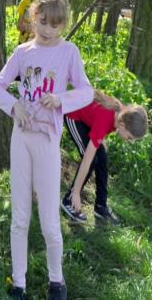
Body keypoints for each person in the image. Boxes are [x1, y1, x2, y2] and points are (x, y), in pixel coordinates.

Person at [0, 0, 93, 300]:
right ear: (34, 17)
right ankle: (18, 283)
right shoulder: (23, 53)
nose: (48, 30)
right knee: (20, 216)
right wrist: (14, 106)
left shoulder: (68, 52)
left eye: (56, 24)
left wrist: (61, 99)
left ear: (64, 24)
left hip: (48, 143)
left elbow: (87, 91)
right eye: (43, 22)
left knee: (49, 221)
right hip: (21, 138)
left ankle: (56, 282)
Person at [61, 94, 149, 225]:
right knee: (92, 159)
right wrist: (77, 193)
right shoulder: (107, 119)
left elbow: (97, 119)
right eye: (130, 137)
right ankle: (69, 199)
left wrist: (100, 139)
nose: (130, 141)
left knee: (102, 157)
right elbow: (87, 160)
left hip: (88, 120)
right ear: (122, 125)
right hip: (74, 116)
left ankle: (100, 206)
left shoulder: (121, 115)